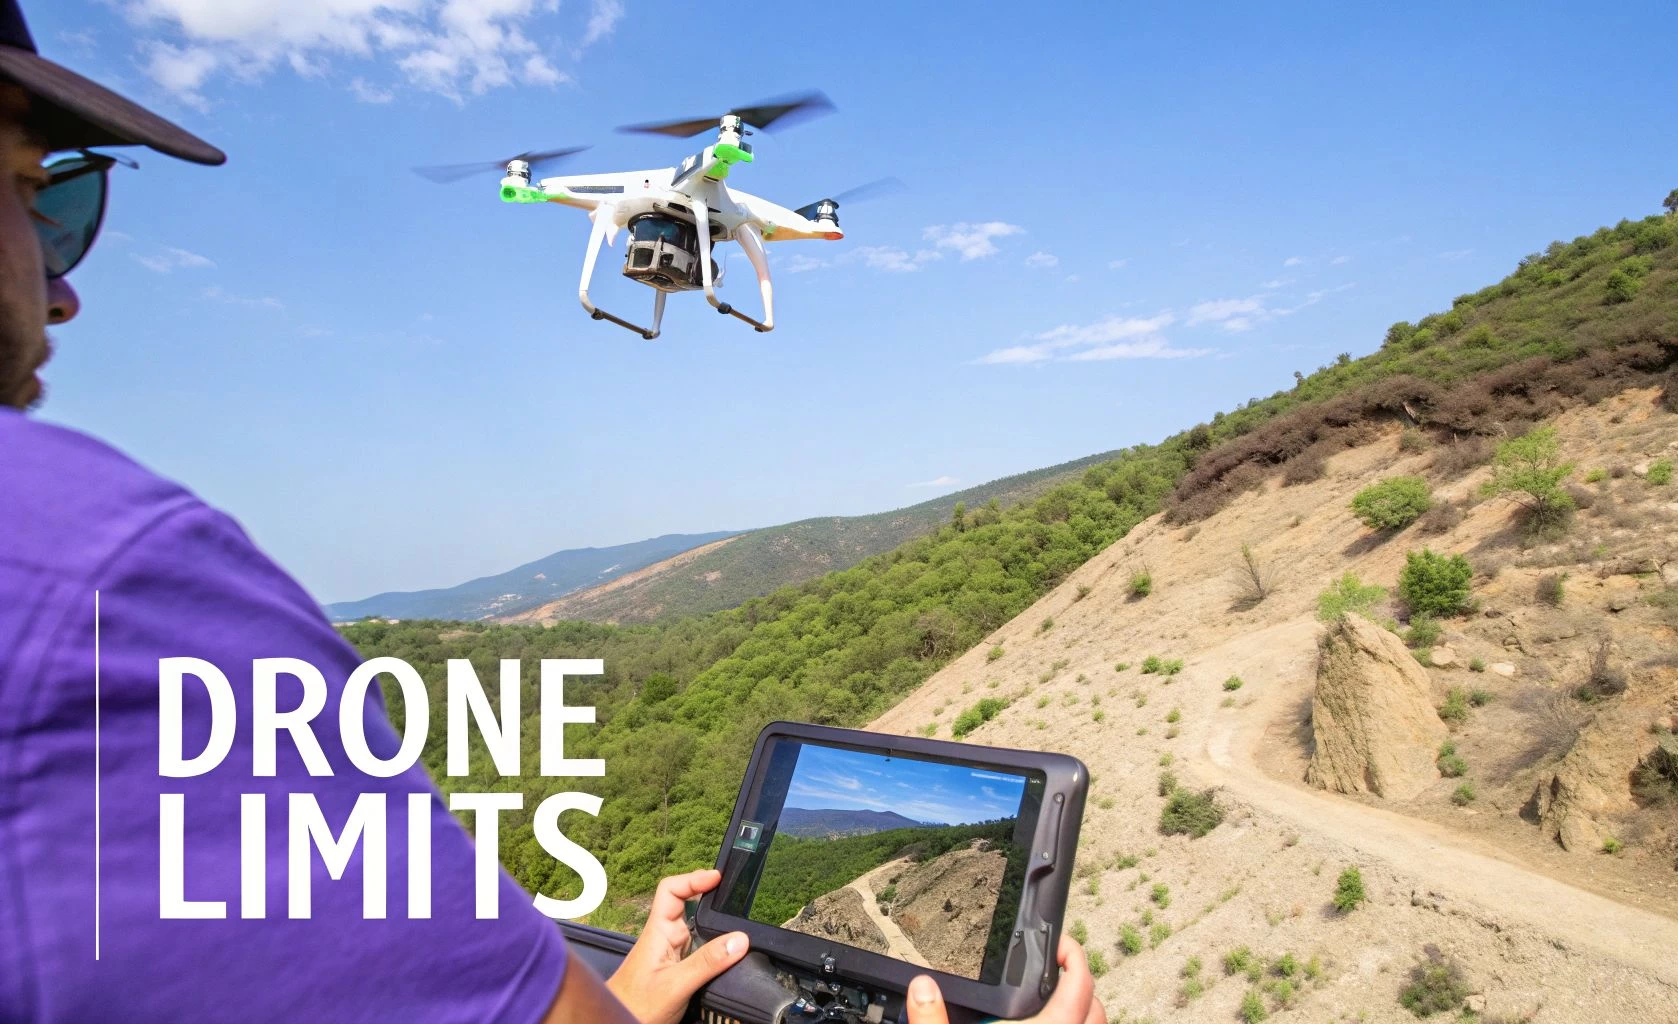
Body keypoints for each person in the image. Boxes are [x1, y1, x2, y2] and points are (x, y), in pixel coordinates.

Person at [0, 4, 1104, 1023]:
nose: (66, 284)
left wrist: (606, 991)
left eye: (67, 201)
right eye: (32, 197)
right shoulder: (111, 577)